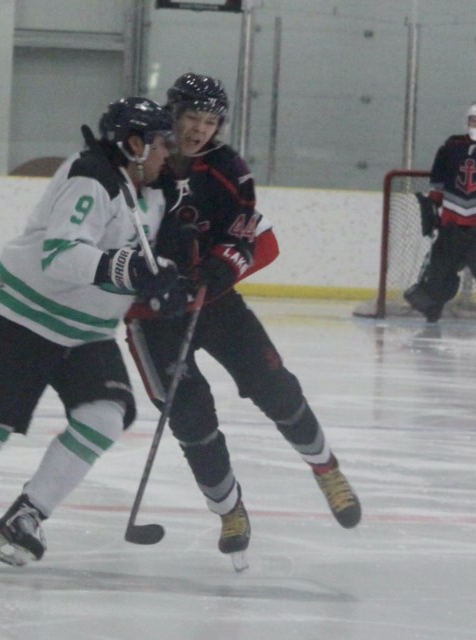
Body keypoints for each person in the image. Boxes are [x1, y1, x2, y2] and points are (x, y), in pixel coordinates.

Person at [0, 96, 185, 569]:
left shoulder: (154, 191)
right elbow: (61, 256)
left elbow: (141, 260)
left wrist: (161, 285)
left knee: (106, 416)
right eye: (159, 144)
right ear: (135, 144)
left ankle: (26, 516)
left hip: (88, 332)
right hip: (26, 318)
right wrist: (130, 269)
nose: (165, 154)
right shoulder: (91, 178)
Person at [125, 73, 362, 571]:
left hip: (215, 303)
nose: (198, 130)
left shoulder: (227, 168)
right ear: (173, 112)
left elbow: (250, 232)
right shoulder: (145, 160)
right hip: (155, 317)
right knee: (191, 417)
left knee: (274, 385)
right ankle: (229, 511)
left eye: (209, 122)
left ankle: (327, 469)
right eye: (191, 117)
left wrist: (223, 265)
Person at [404, 102, 476, 329]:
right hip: (452, 221)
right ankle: (431, 309)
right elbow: (438, 182)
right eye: (473, 120)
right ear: (466, 121)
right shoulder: (451, 146)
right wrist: (432, 206)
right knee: (439, 268)